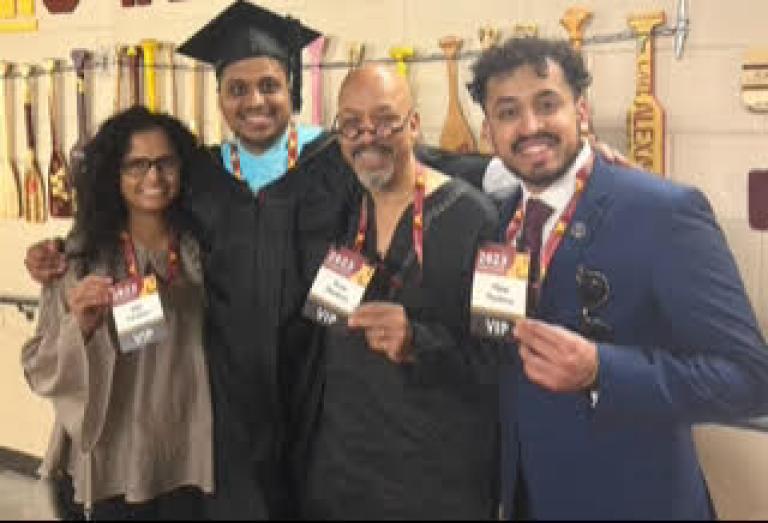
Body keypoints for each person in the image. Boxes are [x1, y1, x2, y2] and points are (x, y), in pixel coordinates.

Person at [466, 36, 768, 519]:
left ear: (581, 111)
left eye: (548, 105)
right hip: (531, 498)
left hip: (634, 501)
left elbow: (751, 379)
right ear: (489, 132)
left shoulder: (662, 212)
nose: (530, 127)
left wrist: (602, 371)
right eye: (508, 113)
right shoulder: (503, 222)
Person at [295, 64, 501, 520]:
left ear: (413, 124)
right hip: (344, 476)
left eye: (385, 120)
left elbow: (502, 357)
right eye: (351, 124)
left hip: (434, 481)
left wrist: (420, 343)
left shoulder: (478, 220)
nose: (368, 136)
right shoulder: (343, 211)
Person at [21, 106, 212, 520]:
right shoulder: (80, 259)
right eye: (136, 166)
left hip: (187, 461)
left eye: (165, 163)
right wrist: (81, 328)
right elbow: (40, 366)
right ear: (113, 173)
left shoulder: (202, 248)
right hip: (112, 467)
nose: (154, 178)